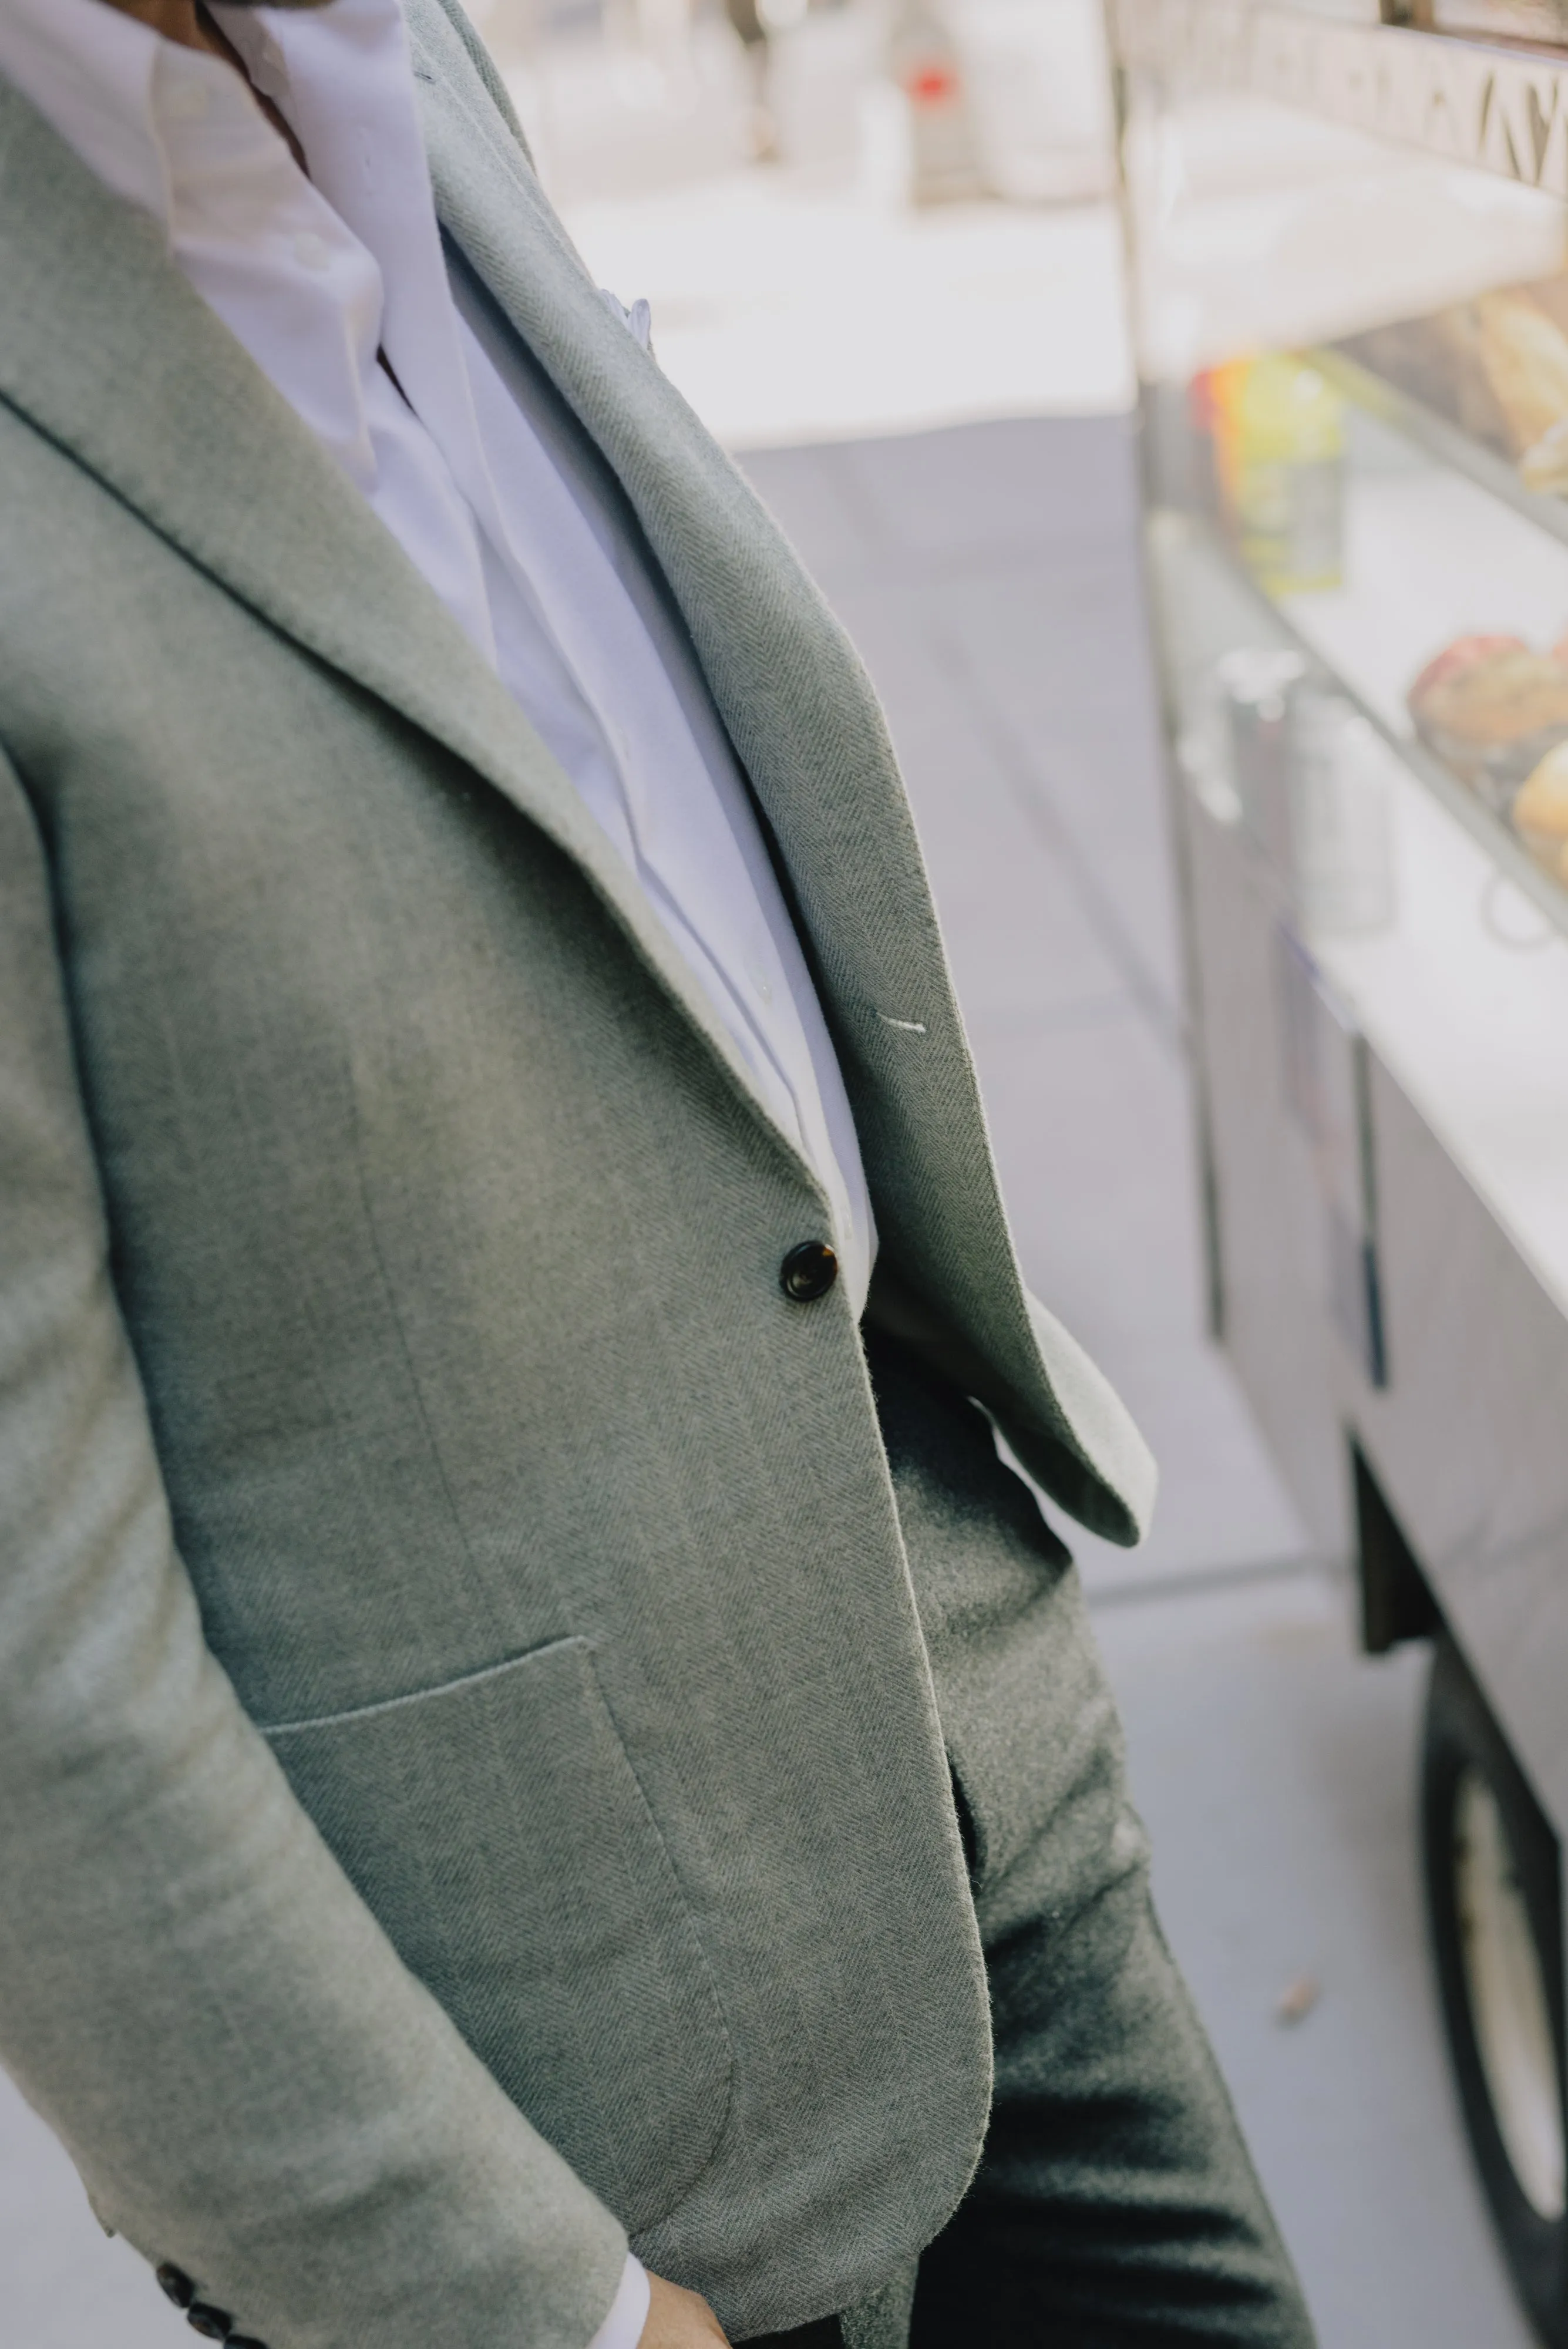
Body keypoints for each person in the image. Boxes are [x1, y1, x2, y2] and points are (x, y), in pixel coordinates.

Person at [0, 3, 1315, 2345]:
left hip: (973, 1750)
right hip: (570, 2103)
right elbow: (32, 1657)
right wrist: (540, 2311)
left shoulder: (401, 58)